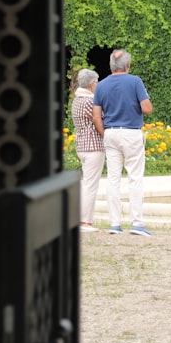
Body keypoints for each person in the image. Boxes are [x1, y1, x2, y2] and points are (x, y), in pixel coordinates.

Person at [92, 49, 153, 236]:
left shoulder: (101, 85)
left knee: (113, 179)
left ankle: (115, 224)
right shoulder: (135, 81)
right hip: (131, 133)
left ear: (111, 65)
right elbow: (147, 108)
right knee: (134, 178)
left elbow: (96, 116)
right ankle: (137, 223)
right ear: (128, 65)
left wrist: (105, 133)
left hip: (110, 132)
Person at [71, 68, 103, 233]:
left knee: (87, 184)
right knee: (91, 185)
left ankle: (82, 219)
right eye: (97, 82)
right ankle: (84, 222)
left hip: (82, 146)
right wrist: (106, 135)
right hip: (93, 147)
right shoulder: (89, 102)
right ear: (92, 85)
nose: (98, 85)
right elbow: (100, 118)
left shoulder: (77, 100)